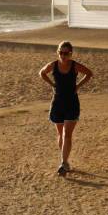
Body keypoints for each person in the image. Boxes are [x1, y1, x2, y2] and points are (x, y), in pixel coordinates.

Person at [39, 41, 93, 176]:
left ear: (70, 53)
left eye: (66, 53)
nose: (63, 55)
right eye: (61, 53)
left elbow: (89, 73)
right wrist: (52, 84)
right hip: (57, 103)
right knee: (60, 134)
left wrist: (78, 86)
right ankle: (65, 160)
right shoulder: (53, 65)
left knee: (67, 134)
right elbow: (42, 73)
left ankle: (63, 162)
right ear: (58, 53)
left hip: (72, 103)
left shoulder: (74, 66)